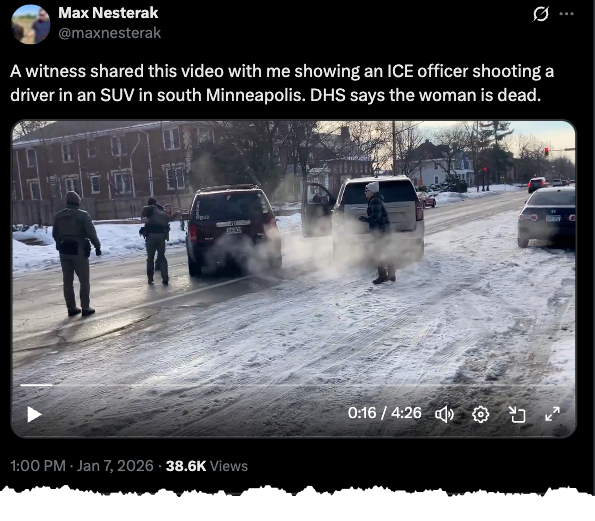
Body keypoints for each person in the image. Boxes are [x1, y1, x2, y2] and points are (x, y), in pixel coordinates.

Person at [52, 191, 101, 316]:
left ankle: (71, 307)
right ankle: (85, 307)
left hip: (64, 249)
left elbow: (55, 233)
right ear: (78, 201)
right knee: (84, 279)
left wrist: (59, 243)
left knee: (67, 280)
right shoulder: (83, 215)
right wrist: (97, 246)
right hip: (78, 248)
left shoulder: (59, 216)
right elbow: (91, 233)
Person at [358, 181, 394, 284]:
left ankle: (383, 276)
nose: (365, 192)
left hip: (381, 231)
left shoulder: (375, 201)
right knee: (386, 252)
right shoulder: (376, 199)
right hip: (384, 230)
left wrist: (365, 219)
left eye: (367, 190)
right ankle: (391, 275)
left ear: (372, 191)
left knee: (379, 253)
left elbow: (376, 217)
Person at [141, 198, 180, 285]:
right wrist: (177, 213)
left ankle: (150, 278)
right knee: (162, 257)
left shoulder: (150, 208)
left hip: (151, 236)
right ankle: (165, 278)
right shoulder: (162, 211)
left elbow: (143, 213)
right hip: (162, 236)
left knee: (150, 258)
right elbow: (169, 219)